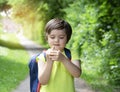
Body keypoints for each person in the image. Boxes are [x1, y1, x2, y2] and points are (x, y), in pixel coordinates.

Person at [37, 18, 82, 92]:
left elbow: (77, 74)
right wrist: (49, 62)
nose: (56, 40)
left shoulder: (71, 54)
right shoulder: (43, 57)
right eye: (52, 37)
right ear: (47, 38)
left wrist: (63, 59)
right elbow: (43, 81)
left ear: (67, 38)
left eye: (61, 37)